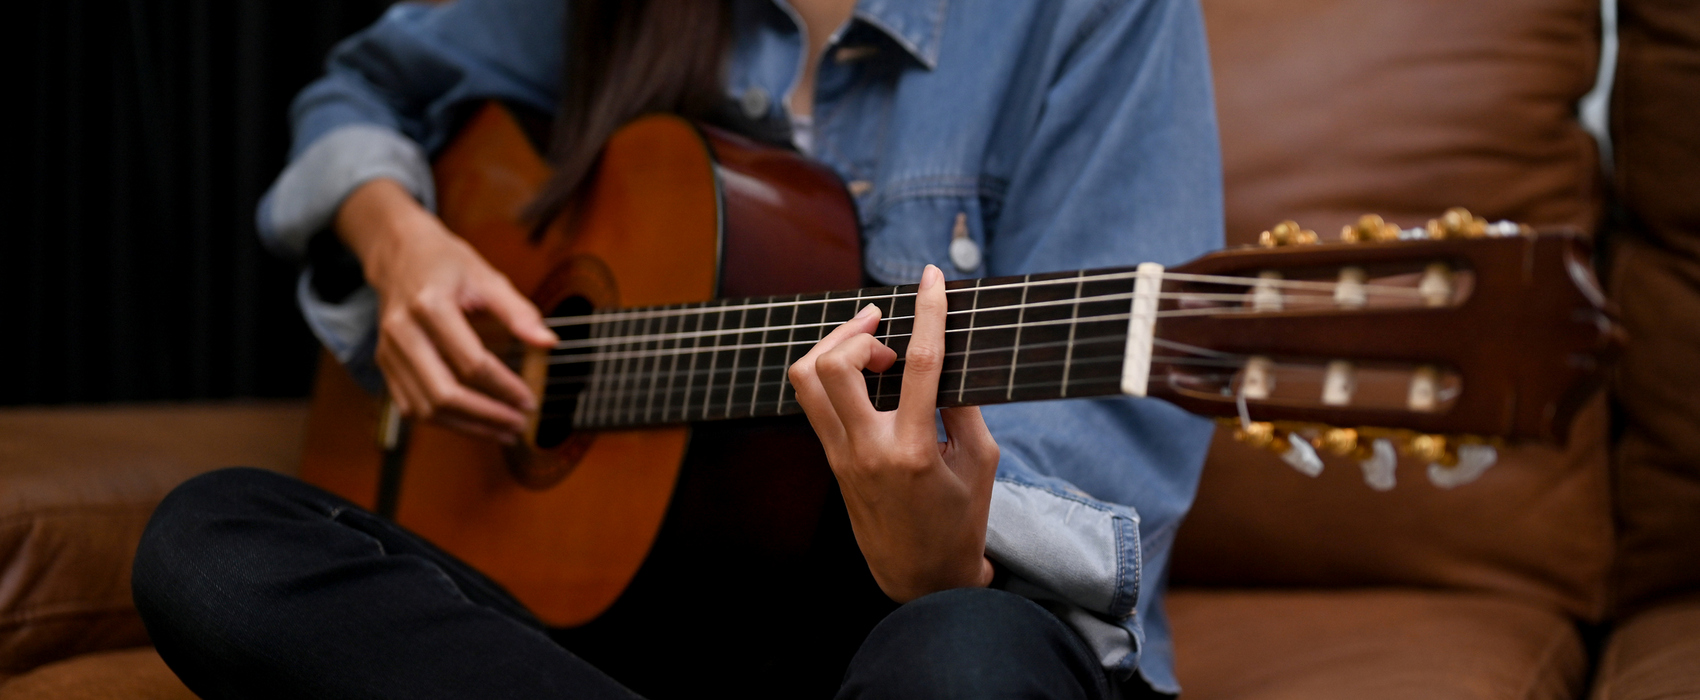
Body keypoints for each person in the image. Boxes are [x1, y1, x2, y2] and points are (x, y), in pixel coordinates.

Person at [131, 0, 1223, 697]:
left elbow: (1107, 458)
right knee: (211, 537)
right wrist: (398, 239)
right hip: (636, 631)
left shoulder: (1092, 10)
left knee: (959, 660)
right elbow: (361, 90)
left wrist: (948, 554)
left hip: (920, 616)